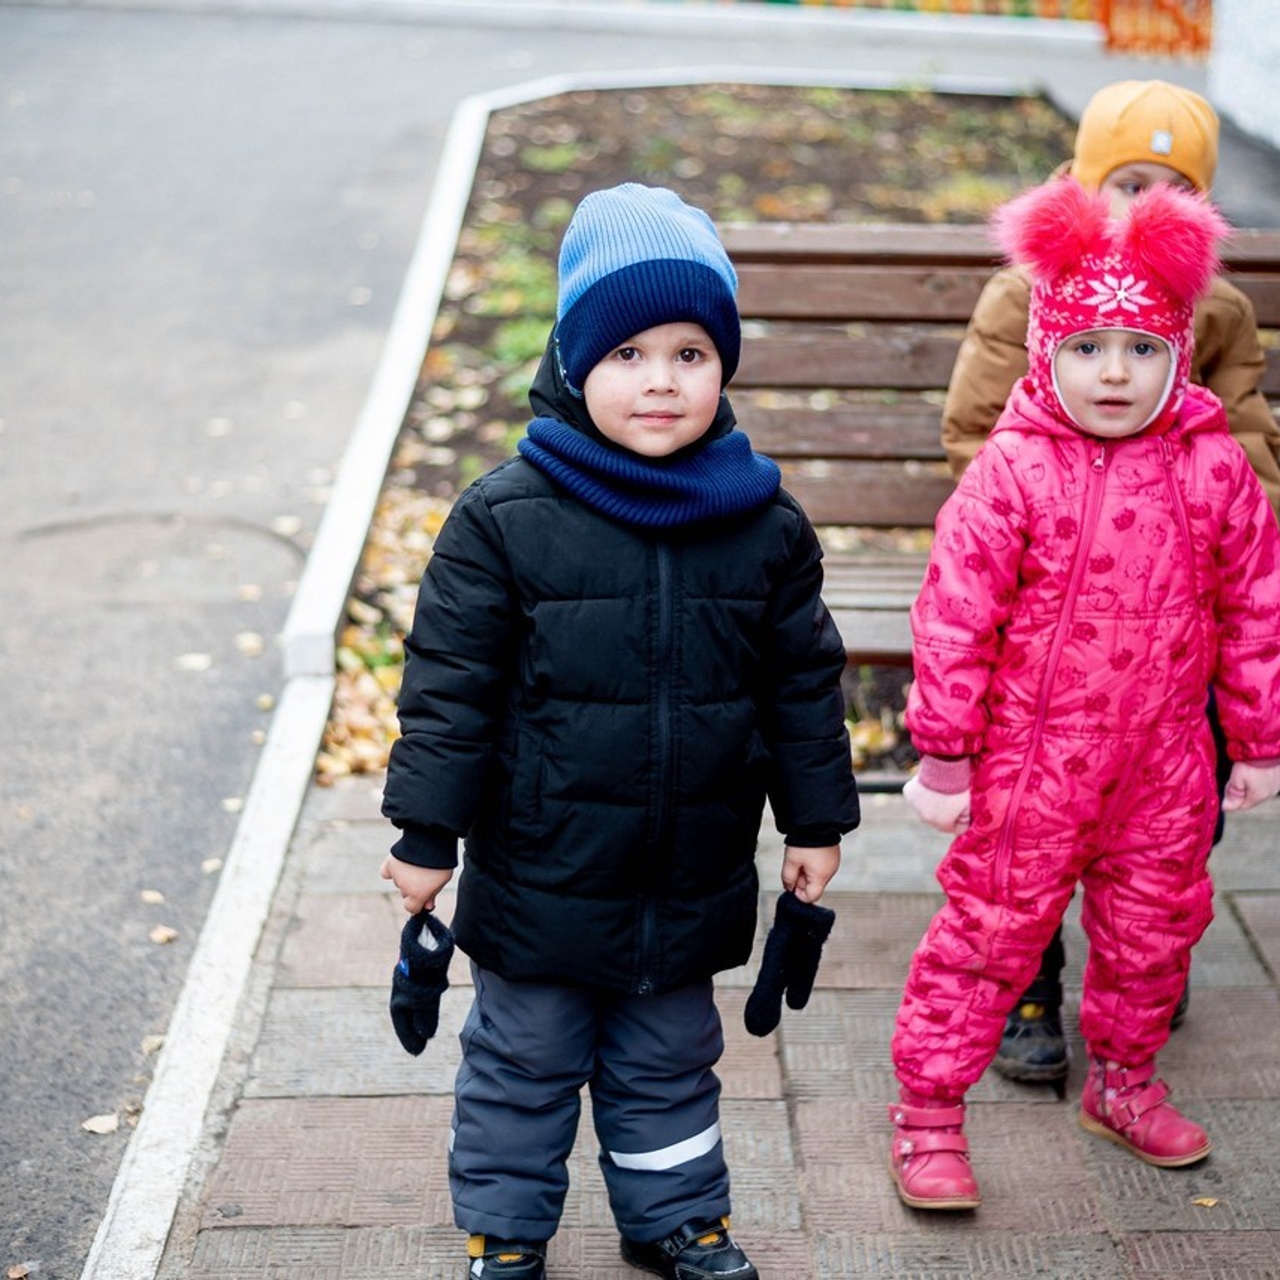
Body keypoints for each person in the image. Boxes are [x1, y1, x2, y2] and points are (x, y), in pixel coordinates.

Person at [380, 183, 860, 1279]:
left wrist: (815, 821)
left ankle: (674, 1216)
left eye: (691, 353)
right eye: (628, 352)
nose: (660, 379)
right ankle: (506, 1227)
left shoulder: (762, 522)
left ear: (723, 369)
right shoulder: (505, 517)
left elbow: (801, 684)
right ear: (573, 361)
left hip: (688, 868)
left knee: (670, 1060)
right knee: (524, 1058)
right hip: (542, 866)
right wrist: (425, 834)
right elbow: (450, 688)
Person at [887, 176, 1280, 1212]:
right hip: (1032, 768)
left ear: (1177, 353)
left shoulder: (1212, 470)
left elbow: (1254, 605)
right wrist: (944, 751)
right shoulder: (1010, 473)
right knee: (988, 937)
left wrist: (1256, 739)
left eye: (1141, 348)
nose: (1113, 370)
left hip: (1163, 765)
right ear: (1044, 350)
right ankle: (929, 1109)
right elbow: (954, 616)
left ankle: (1124, 1082)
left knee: (1154, 933)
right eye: (1087, 346)